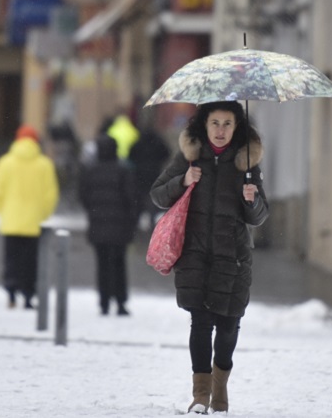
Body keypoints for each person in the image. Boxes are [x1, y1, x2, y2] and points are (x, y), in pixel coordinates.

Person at [149, 101, 269, 415]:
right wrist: (183, 181)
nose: (220, 131)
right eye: (214, 123)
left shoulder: (246, 163)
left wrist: (251, 199)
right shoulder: (190, 155)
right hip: (196, 254)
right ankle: (201, 395)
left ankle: (220, 387)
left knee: (229, 325)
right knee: (200, 323)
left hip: (233, 258)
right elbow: (158, 194)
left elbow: (259, 217)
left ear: (236, 127)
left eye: (227, 124)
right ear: (204, 125)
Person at [0, 124, 60, 310]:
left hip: (10, 221)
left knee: (11, 260)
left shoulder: (5, 162)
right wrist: (42, 214)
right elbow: (50, 194)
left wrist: (3, 212)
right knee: (30, 262)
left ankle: (11, 294)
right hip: (33, 223)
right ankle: (28, 296)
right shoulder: (44, 164)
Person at [78, 134, 141, 316]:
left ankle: (104, 302)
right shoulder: (123, 171)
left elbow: (83, 196)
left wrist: (94, 212)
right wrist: (132, 221)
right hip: (120, 228)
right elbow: (132, 199)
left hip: (98, 226)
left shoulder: (90, 171)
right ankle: (120, 302)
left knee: (102, 265)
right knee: (119, 265)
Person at [128, 122, 172, 229]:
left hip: (140, 175)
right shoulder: (157, 142)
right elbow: (167, 153)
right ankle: (152, 222)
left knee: (140, 198)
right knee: (152, 199)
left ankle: (137, 222)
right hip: (154, 173)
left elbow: (130, 155)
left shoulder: (138, 142)